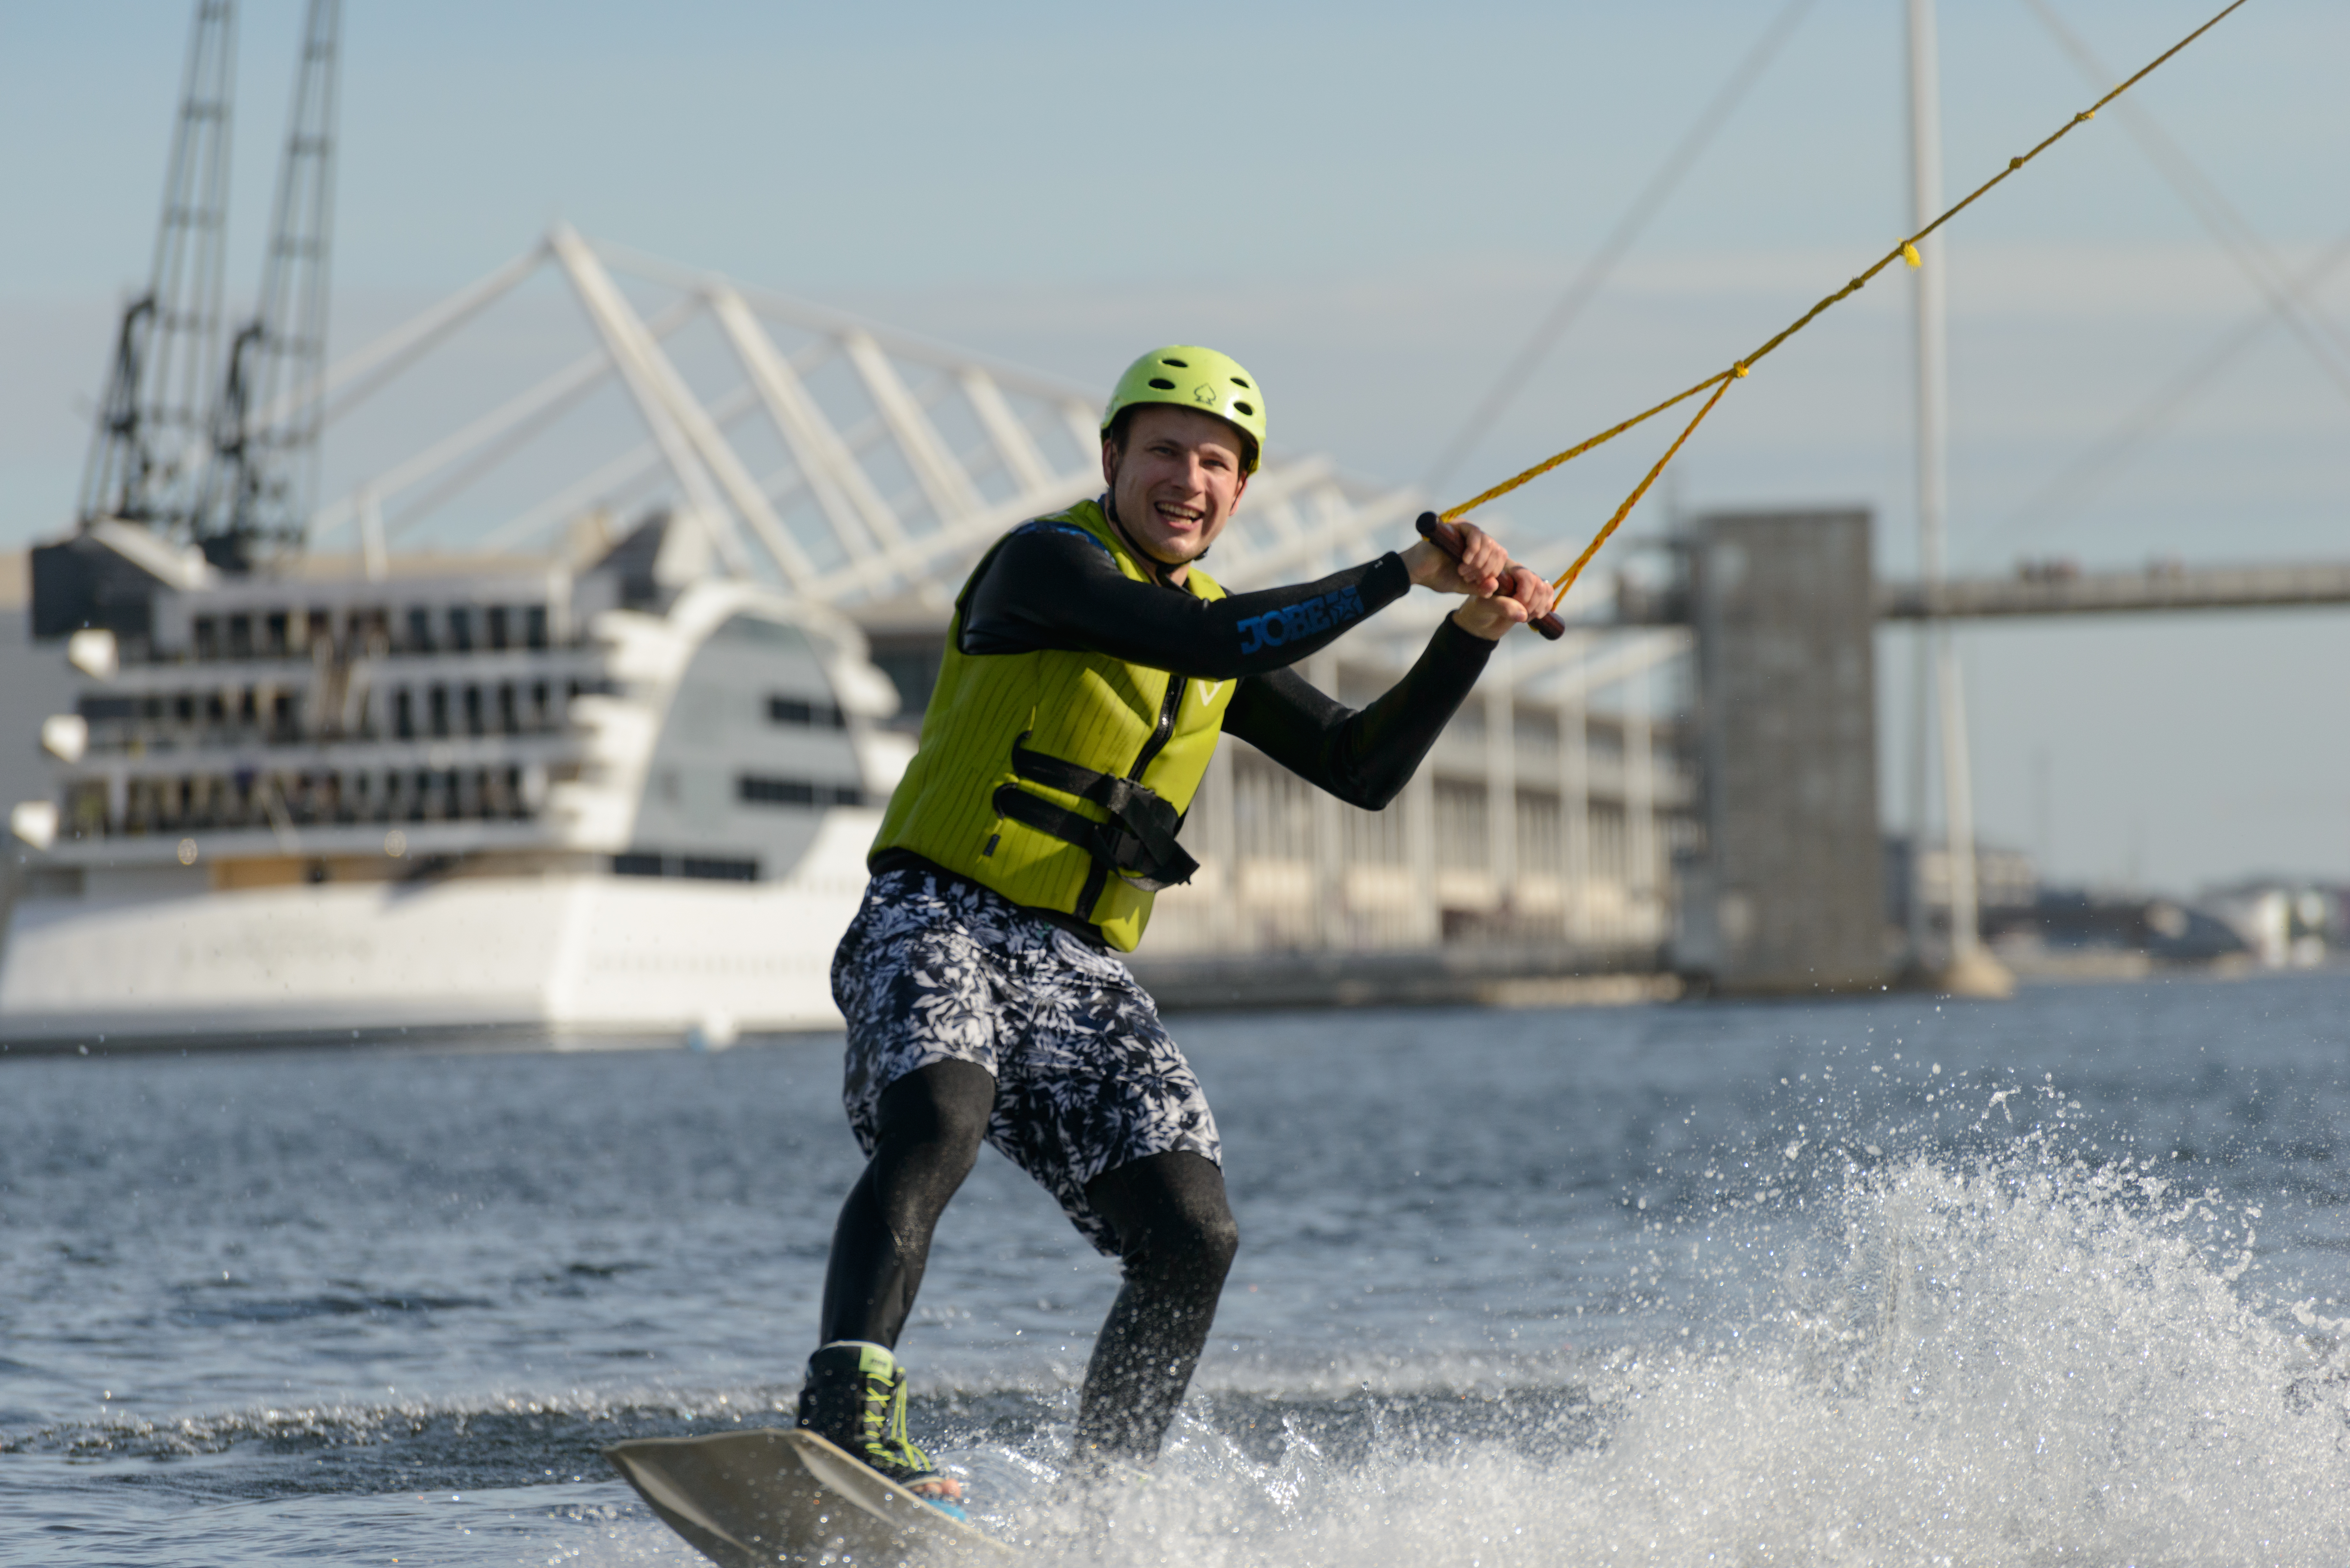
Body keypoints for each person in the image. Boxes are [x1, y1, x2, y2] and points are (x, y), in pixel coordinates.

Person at [795, 345, 1554, 1512]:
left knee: (1195, 1236)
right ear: (1112, 460)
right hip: (934, 913)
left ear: (1241, 491)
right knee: (942, 1108)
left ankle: (1107, 1511)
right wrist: (1408, 570)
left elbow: (1361, 768)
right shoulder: (1044, 564)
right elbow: (1207, 643)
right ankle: (847, 1408)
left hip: (1077, 965)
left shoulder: (1215, 634)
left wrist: (1473, 635)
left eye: (1216, 463)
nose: (1188, 480)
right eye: (1163, 452)